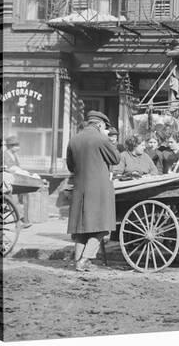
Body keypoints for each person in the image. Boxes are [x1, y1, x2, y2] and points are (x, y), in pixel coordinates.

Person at [66, 110, 120, 272]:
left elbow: (70, 166)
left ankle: (78, 261)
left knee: (82, 228)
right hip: (99, 190)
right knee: (102, 227)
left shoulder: (73, 139)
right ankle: (84, 259)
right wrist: (108, 141)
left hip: (79, 188)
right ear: (100, 124)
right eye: (105, 127)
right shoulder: (101, 139)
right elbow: (116, 159)